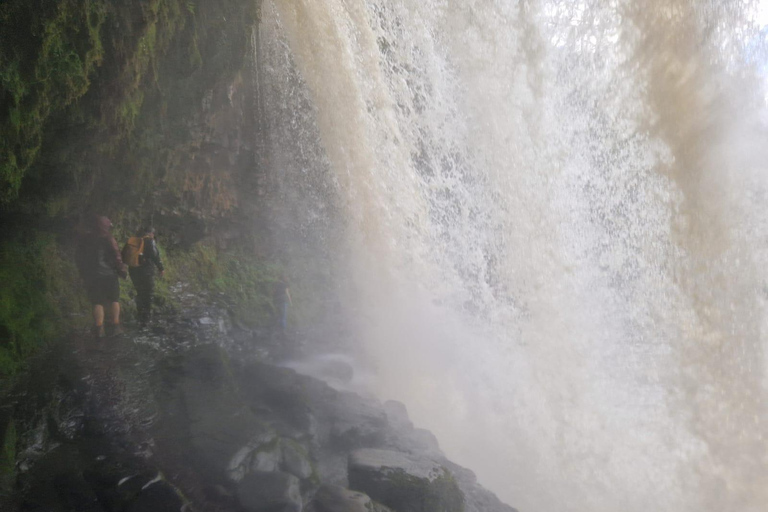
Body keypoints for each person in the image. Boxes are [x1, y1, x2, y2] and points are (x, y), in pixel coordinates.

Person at [75, 215, 128, 338]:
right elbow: (117, 257)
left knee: (97, 301)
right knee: (114, 299)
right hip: (109, 275)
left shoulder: (85, 238)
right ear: (106, 226)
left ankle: (99, 328)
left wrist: (83, 272)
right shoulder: (109, 238)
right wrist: (122, 271)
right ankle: (116, 326)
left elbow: (79, 257)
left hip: (92, 275)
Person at [127, 227, 165, 326]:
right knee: (148, 293)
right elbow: (155, 255)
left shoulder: (134, 240)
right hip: (146, 271)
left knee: (139, 291)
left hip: (133, 270)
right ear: (151, 233)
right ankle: (146, 318)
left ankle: (139, 315)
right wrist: (161, 268)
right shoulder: (149, 241)